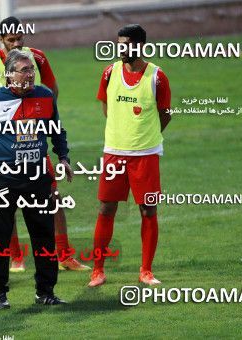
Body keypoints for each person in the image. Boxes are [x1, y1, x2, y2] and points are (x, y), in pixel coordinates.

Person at [0, 16, 88, 273]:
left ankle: (64, 255)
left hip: (34, 142)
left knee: (53, 197)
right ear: (0, 40)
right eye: (11, 40)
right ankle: (16, 258)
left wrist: (43, 111)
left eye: (20, 38)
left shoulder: (36, 57)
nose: (16, 43)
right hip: (7, 146)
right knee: (7, 202)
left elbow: (52, 88)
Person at [0, 49, 73, 309]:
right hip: (3, 180)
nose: (30, 75)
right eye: (24, 70)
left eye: (32, 70)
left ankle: (45, 292)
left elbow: (56, 130)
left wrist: (64, 158)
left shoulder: (45, 96)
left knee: (44, 237)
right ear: (9, 75)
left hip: (37, 178)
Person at [88, 24, 172, 287]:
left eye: (126, 44)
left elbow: (165, 114)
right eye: (119, 44)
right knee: (106, 208)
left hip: (145, 155)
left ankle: (146, 271)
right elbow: (106, 107)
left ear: (140, 46)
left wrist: (144, 136)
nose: (121, 49)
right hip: (114, 152)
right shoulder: (109, 72)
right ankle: (97, 270)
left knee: (148, 210)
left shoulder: (157, 77)